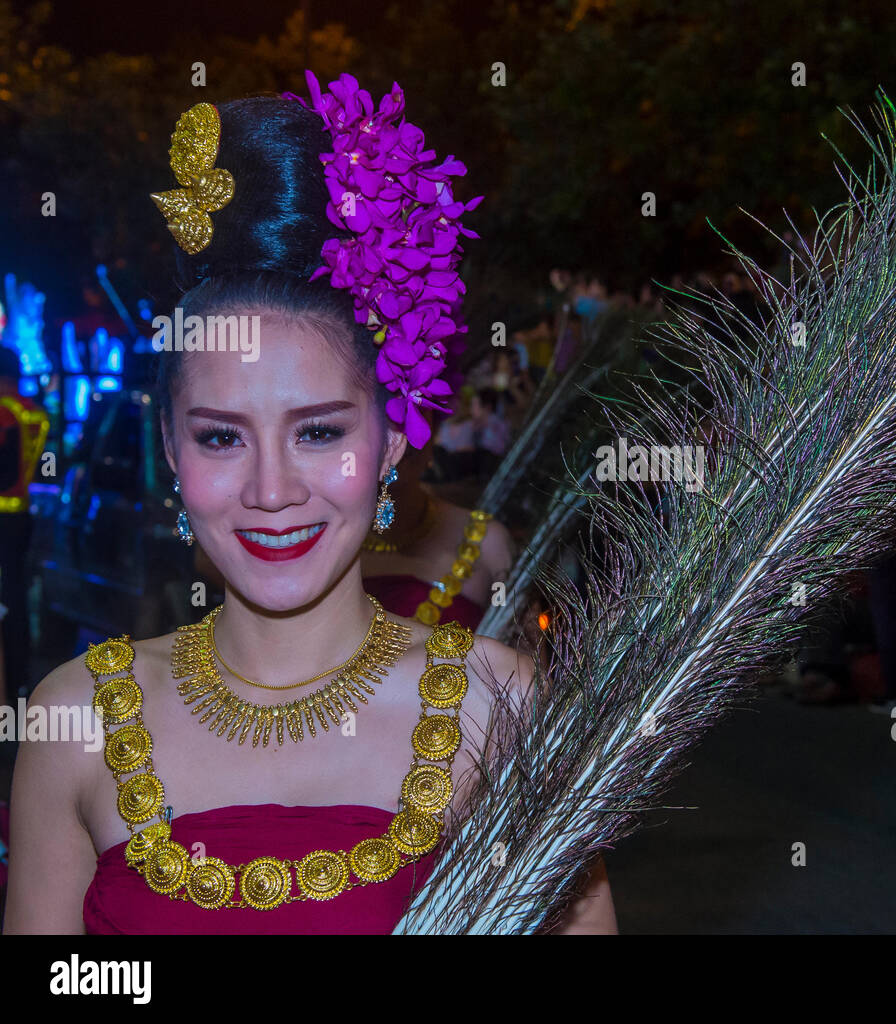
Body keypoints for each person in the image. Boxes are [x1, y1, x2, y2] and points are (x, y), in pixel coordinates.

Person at [3, 82, 614, 934]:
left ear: (393, 439)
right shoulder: (76, 718)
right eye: (221, 438)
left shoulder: (498, 710)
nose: (272, 489)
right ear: (174, 455)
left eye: (320, 432)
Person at [362, 401, 513, 632]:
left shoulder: (487, 542)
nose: (398, 433)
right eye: (380, 411)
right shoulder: (317, 543)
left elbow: (522, 654)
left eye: (413, 407)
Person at [0, 345, 50, 708]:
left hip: (2, 513)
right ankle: (20, 676)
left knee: (7, 601)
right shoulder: (34, 411)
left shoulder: (5, 411)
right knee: (15, 597)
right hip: (22, 512)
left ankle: (10, 680)